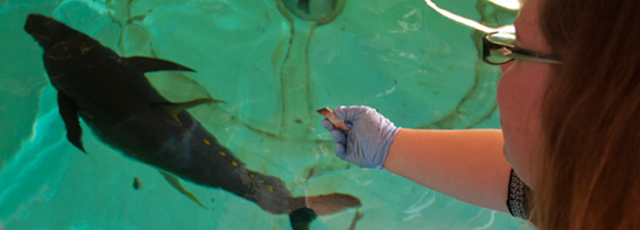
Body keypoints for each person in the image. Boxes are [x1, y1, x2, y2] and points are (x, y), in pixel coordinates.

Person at [321, 0, 640, 229]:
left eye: (519, 49)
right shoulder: (607, 189)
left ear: (581, 96)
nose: (504, 63)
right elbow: (530, 186)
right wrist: (389, 145)